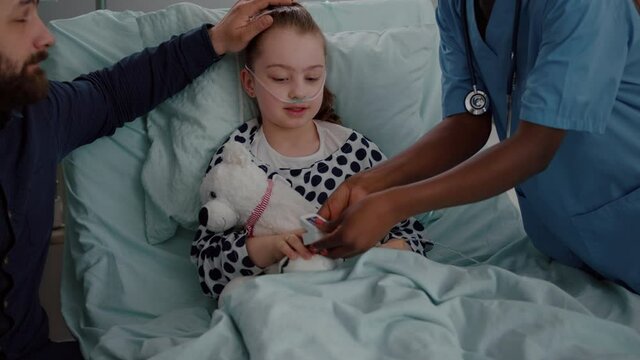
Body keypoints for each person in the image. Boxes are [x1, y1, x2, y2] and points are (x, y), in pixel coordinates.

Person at [0, 0, 294, 358]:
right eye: (20, 18)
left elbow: (112, 94)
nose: (44, 35)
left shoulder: (33, 117)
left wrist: (215, 40)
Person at [313, 0, 640, 293]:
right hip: (568, 247)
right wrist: (366, 183)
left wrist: (393, 204)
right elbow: (468, 122)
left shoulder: (585, 6)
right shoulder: (458, 6)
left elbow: (536, 147)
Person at [191, 4, 433, 301]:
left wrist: (362, 268)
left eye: (312, 77)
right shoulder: (237, 158)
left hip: (363, 298)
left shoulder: (356, 152)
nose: (298, 91)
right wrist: (275, 246)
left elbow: (413, 237)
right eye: (281, 78)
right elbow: (208, 267)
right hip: (282, 304)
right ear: (249, 83)